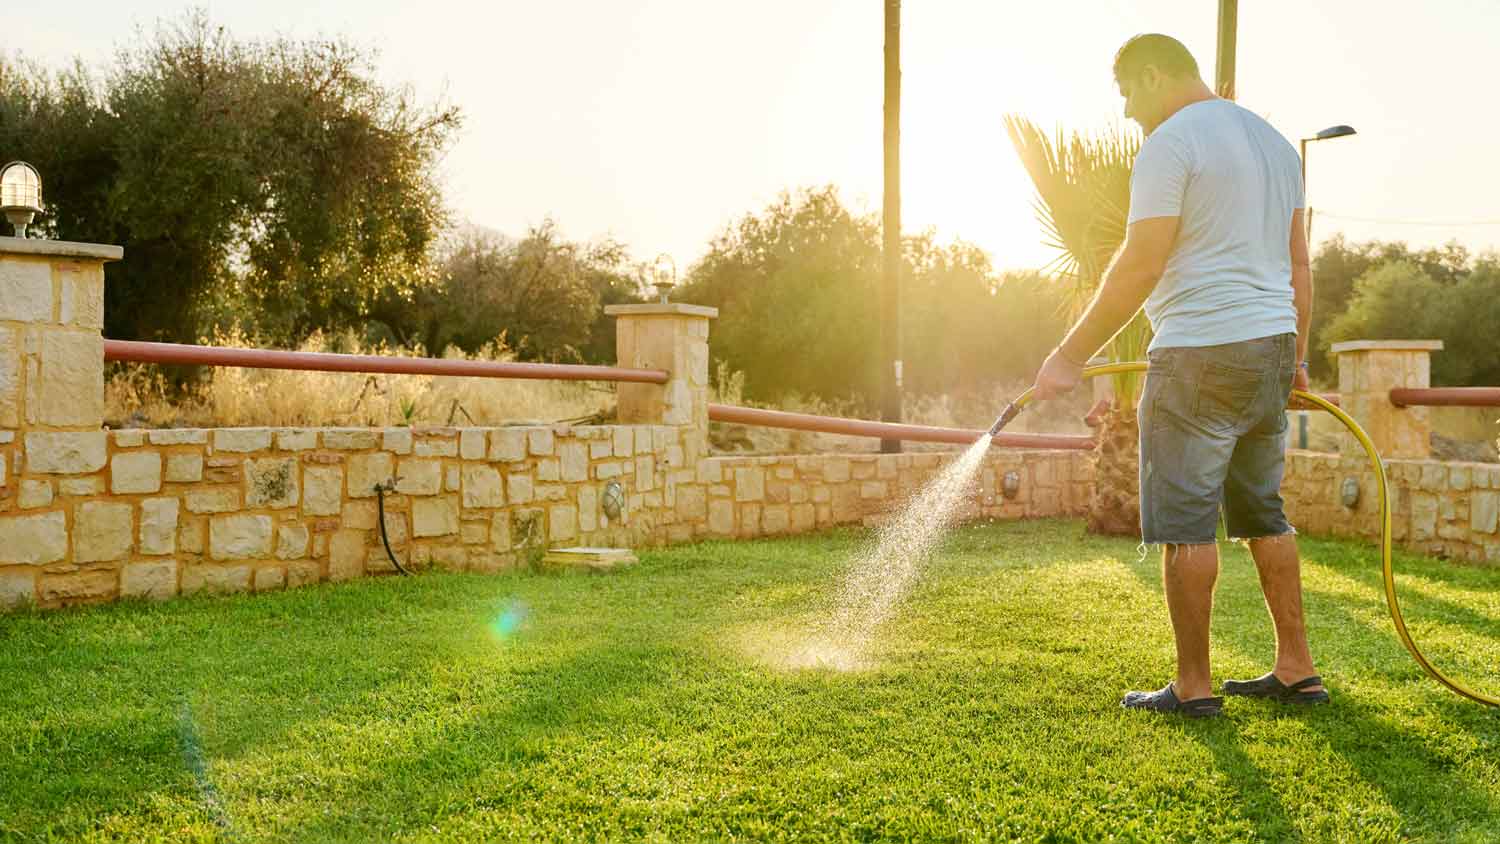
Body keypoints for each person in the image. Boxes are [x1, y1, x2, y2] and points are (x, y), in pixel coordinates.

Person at [1030, 33, 1329, 717]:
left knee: (1186, 527)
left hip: (1197, 352)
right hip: (1270, 348)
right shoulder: (1276, 145)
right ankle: (1296, 668)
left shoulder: (1170, 143)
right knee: (1265, 514)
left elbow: (1141, 263)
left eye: (1130, 95)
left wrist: (1070, 356)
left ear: (1155, 75)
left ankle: (1193, 686)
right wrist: (1300, 357)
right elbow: (1300, 266)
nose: (1131, 113)